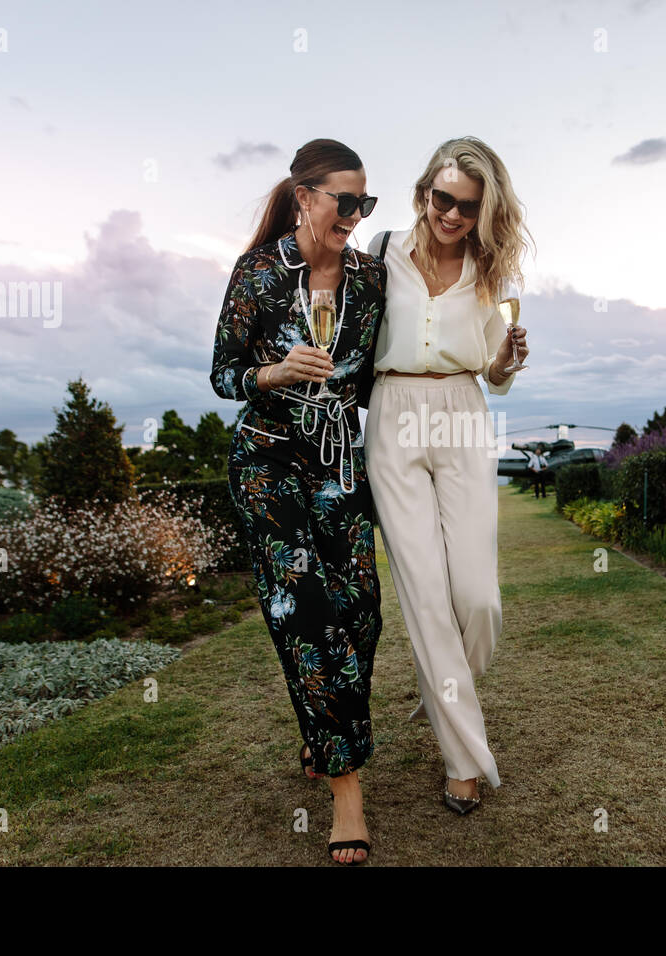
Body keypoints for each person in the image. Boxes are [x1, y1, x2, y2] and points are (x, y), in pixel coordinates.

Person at [209, 138, 385, 865]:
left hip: (339, 463)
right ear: (306, 196)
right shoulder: (257, 273)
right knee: (306, 613)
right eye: (346, 201)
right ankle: (347, 789)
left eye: (365, 203)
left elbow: (381, 376)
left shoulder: (371, 279)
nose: (356, 213)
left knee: (362, 611)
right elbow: (223, 374)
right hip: (267, 464)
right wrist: (274, 372)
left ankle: (323, 731)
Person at [364, 136, 534, 815]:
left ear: (484, 210)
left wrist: (508, 361)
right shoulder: (380, 256)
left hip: (463, 412)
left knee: (478, 597)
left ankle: (443, 680)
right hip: (394, 410)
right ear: (422, 193)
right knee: (427, 599)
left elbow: (494, 376)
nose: (452, 215)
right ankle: (463, 760)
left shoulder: (490, 275)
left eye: (467, 206)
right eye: (443, 199)